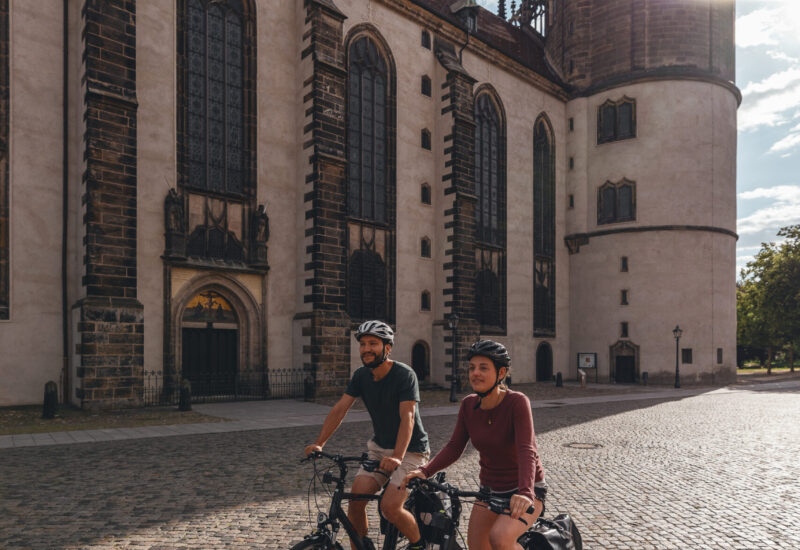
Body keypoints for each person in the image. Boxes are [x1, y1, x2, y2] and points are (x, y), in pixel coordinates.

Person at [404, 340, 547, 550]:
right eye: (472, 368)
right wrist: (425, 471)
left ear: (501, 373)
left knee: (500, 539)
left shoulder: (517, 402)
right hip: (489, 491)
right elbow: (454, 447)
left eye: (483, 368)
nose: (475, 373)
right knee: (477, 546)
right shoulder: (468, 404)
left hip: (525, 489)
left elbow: (527, 450)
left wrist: (526, 492)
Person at [304, 320, 431, 550]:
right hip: (379, 448)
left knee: (390, 507)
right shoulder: (361, 375)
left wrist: (397, 457)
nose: (366, 349)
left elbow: (408, 418)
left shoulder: (405, 375)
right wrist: (319, 443)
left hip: (411, 451)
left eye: (373, 343)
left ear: (387, 348)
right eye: (363, 344)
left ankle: (419, 544)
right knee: (355, 501)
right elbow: (340, 408)